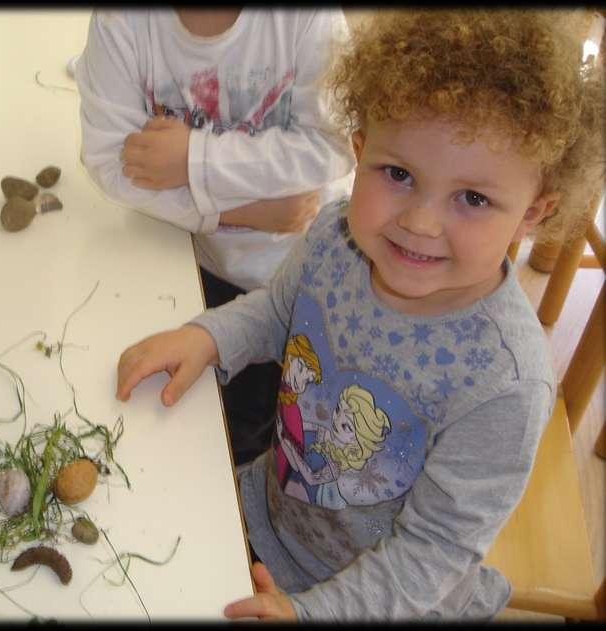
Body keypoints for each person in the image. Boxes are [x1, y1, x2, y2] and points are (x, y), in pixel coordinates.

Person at [114, 9, 604, 621]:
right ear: (360, 149)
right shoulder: (335, 239)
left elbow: (431, 554)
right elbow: (278, 313)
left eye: (473, 198)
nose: (420, 223)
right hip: (268, 515)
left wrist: (312, 613)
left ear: (534, 212)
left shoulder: (505, 383)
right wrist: (207, 337)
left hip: (382, 600)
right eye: (398, 174)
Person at [74, 8, 356, 465]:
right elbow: (110, 162)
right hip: (196, 264)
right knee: (201, 418)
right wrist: (239, 210)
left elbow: (332, 146)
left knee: (275, 420)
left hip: (298, 273)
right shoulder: (120, 23)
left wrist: (194, 158)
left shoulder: (310, 20)